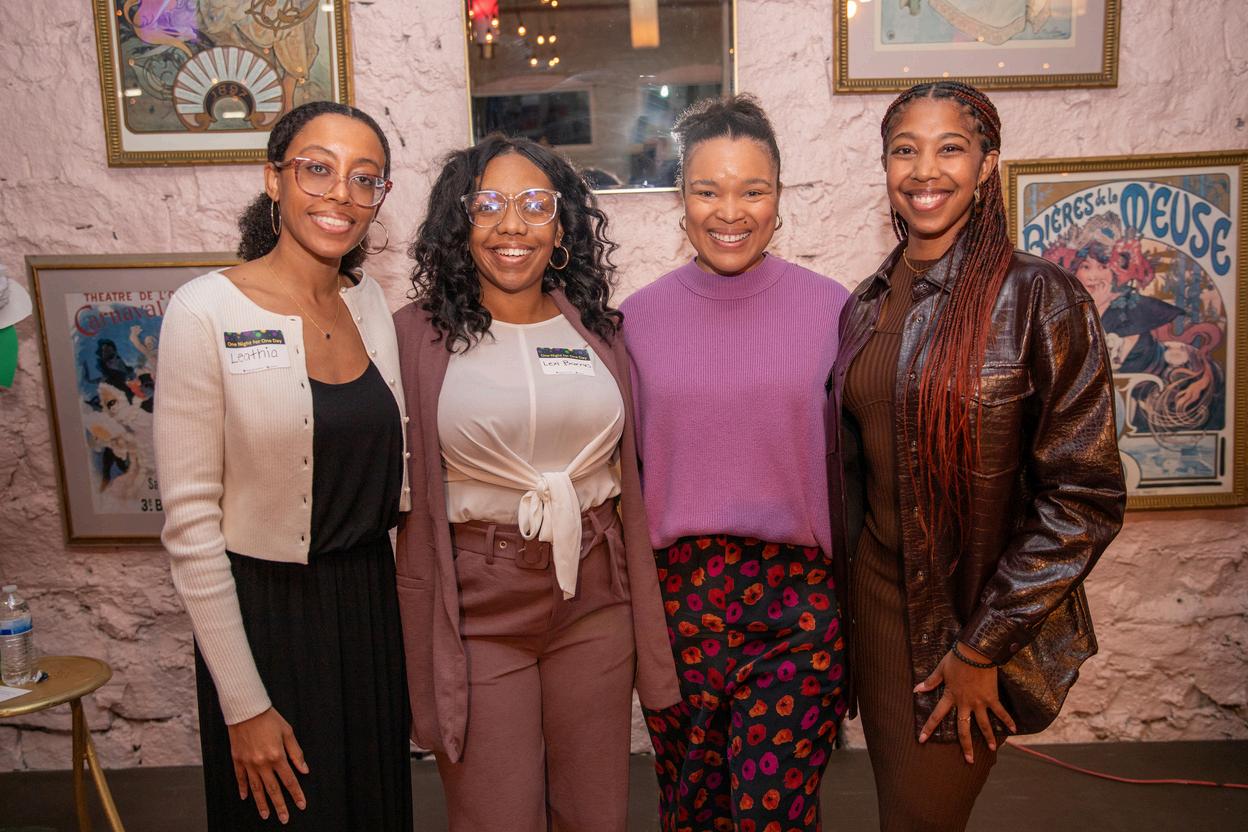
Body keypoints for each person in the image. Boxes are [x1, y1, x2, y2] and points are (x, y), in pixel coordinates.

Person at [829, 80, 1127, 831]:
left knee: (921, 819)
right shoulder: (866, 302)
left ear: (987, 163)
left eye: (951, 148)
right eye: (905, 150)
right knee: (898, 810)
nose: (925, 170)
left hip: (965, 621)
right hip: (876, 601)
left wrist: (981, 647)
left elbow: (1083, 497)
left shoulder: (1040, 297)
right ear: (886, 164)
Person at [393, 134, 679, 832]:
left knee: (595, 813)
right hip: (478, 606)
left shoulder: (599, 331)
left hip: (594, 595)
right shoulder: (412, 337)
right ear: (459, 221)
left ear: (562, 226)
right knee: (498, 815)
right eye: (488, 204)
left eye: (533, 205)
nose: (512, 225)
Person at [154, 101, 412, 830]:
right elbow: (191, 527)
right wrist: (243, 703)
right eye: (317, 169)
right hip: (267, 622)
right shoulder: (204, 311)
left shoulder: (369, 303)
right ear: (274, 179)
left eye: (365, 178)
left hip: (369, 610)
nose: (341, 194)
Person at [621, 94, 851, 832]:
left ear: (779, 199)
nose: (730, 211)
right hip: (678, 602)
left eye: (753, 190)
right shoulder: (634, 321)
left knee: (773, 815)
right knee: (691, 810)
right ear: (681, 200)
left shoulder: (836, 312)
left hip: (799, 604)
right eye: (707, 190)